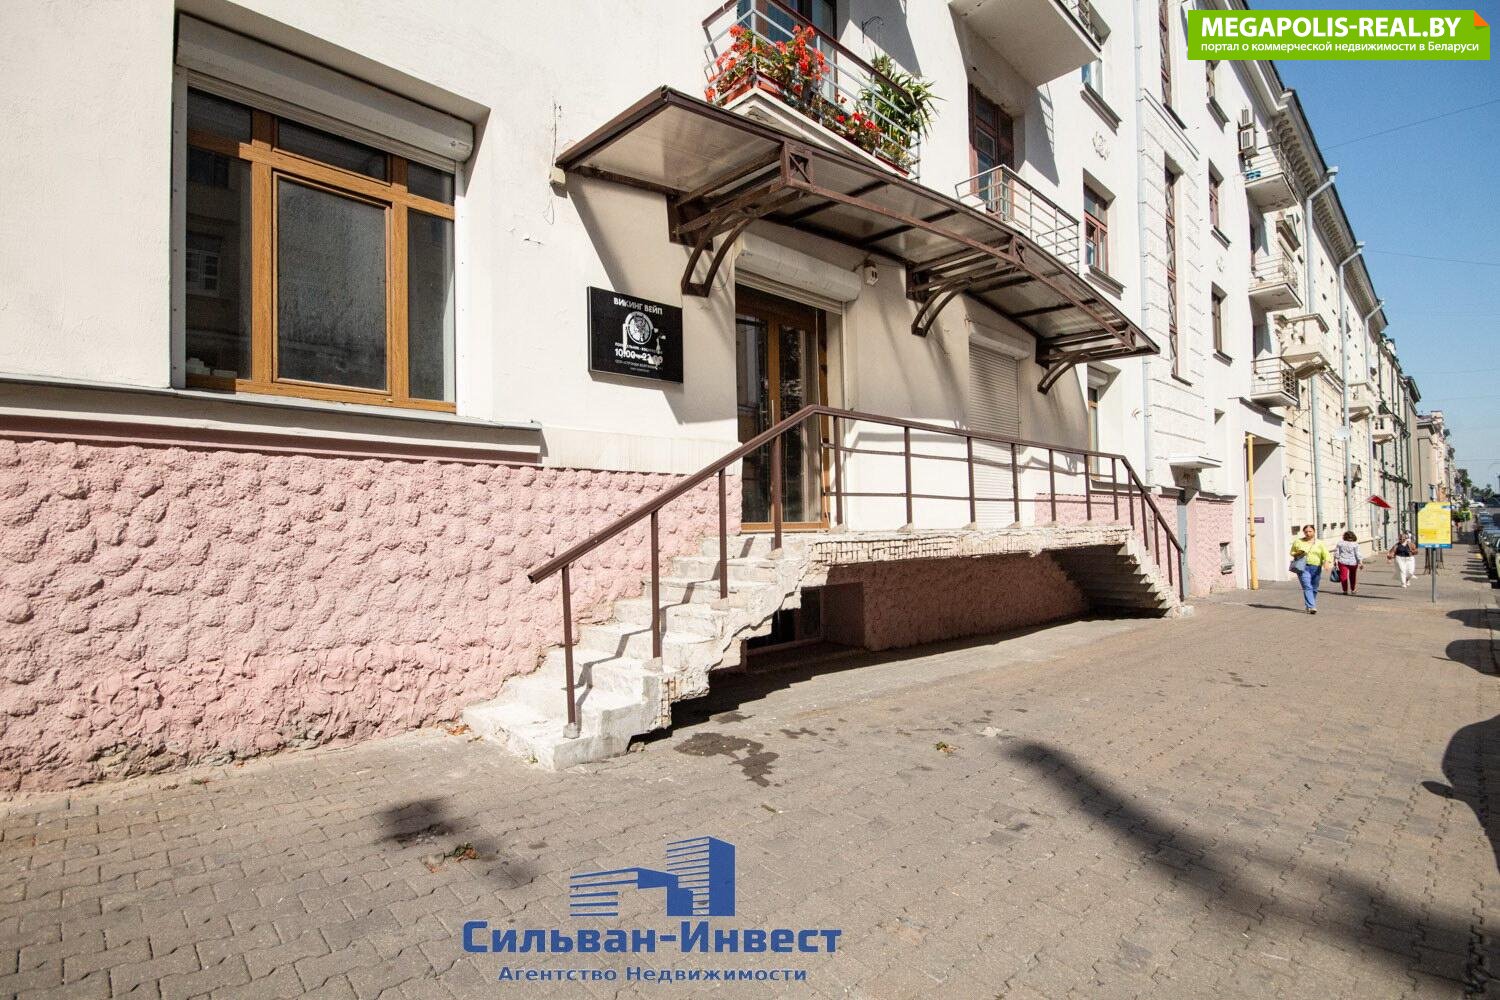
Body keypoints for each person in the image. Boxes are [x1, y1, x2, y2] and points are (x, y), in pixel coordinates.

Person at [1290, 524, 1332, 614]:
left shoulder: (1320, 543)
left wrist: (1326, 562)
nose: (1308, 533)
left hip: (1316, 567)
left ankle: (1308, 605)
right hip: (1302, 567)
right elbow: (1292, 552)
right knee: (1307, 586)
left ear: (1314, 531)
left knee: (1314, 588)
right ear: (1303, 532)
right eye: (1306, 532)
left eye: (1310, 531)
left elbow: (1326, 554)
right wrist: (1297, 553)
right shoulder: (1298, 542)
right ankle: (1312, 606)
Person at [1332, 530, 1363, 595]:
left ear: (1344, 537)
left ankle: (1345, 590)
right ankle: (1353, 589)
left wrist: (1335, 560)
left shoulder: (1340, 543)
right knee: (1353, 576)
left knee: (1343, 576)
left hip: (1342, 562)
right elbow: (1358, 554)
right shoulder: (1355, 544)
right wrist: (1360, 562)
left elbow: (1337, 553)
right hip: (1353, 562)